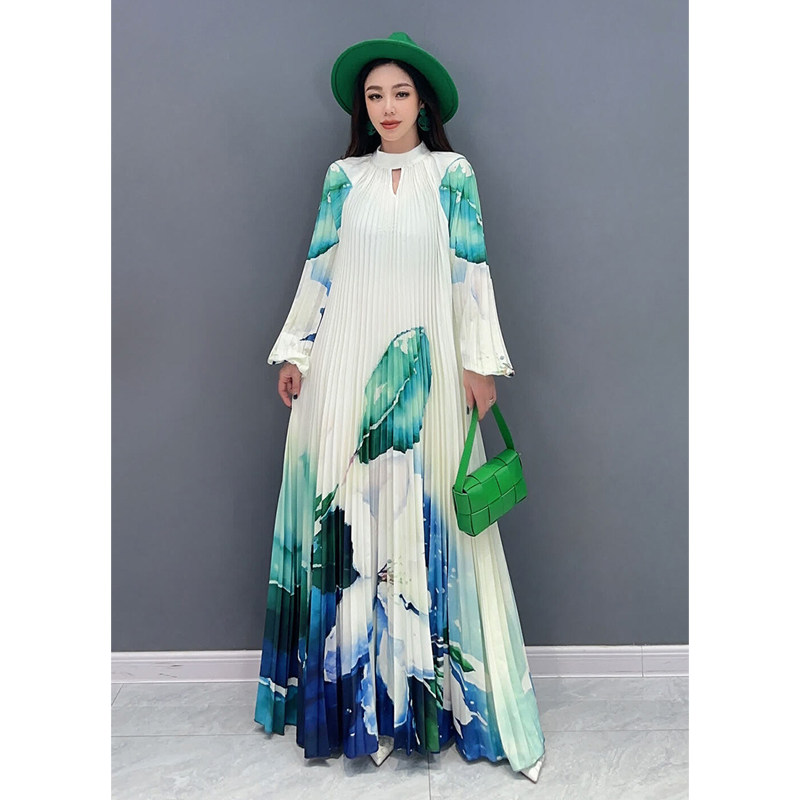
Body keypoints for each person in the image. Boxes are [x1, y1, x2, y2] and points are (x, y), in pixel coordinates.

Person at [254, 32, 545, 783]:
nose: (387, 107)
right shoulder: (342, 178)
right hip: (344, 368)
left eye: (400, 94)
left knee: (427, 517)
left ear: (424, 103)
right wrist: (296, 351)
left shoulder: (452, 174)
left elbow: (470, 269)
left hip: (430, 371)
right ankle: (358, 708)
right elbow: (320, 266)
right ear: (364, 107)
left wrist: (480, 362)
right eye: (375, 95)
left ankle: (426, 706)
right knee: (349, 522)